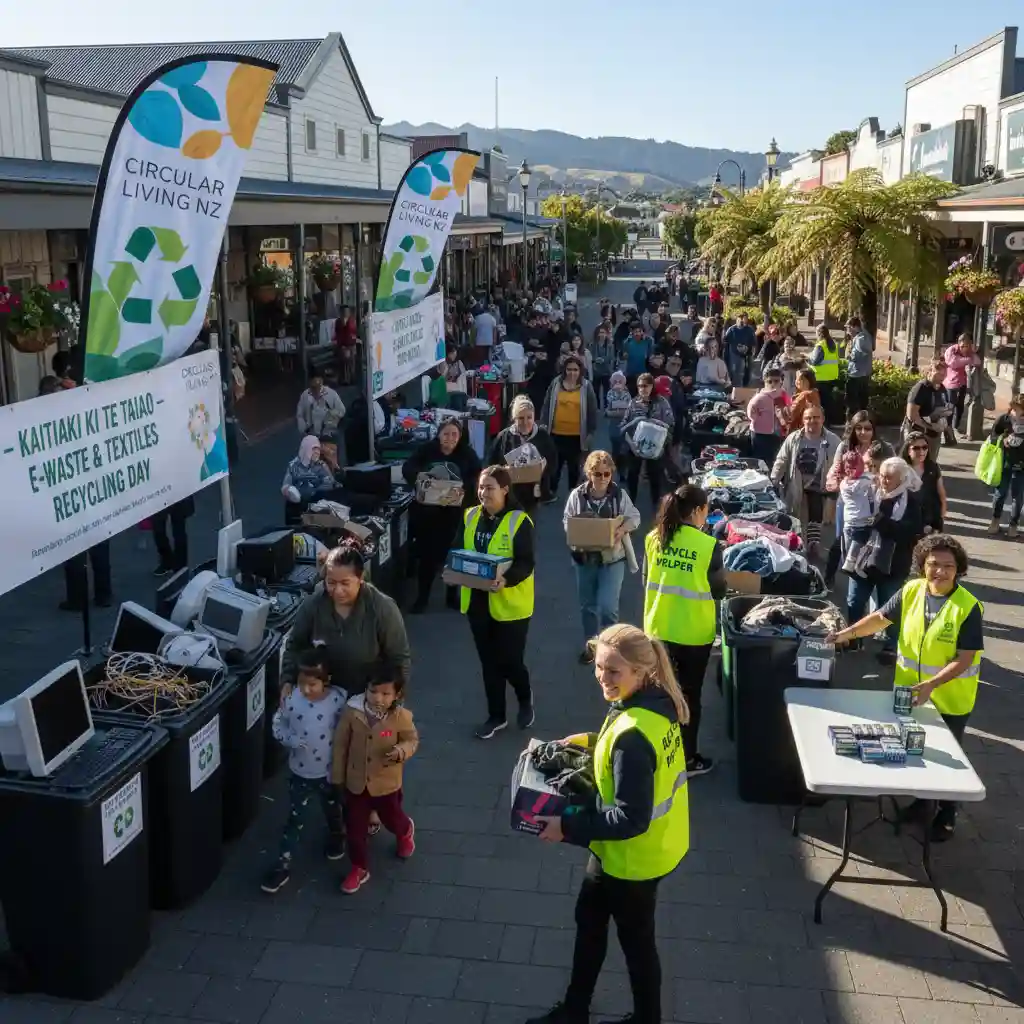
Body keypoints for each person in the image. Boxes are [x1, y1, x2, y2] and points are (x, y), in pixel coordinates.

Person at [528, 624, 690, 1024]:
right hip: (639, 850)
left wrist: (565, 826)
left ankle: (640, 1019)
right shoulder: (653, 705)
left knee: (635, 945)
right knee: (591, 923)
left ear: (640, 671)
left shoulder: (633, 736)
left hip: (631, 860)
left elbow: (629, 817)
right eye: (599, 666)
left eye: (613, 670)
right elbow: (626, 758)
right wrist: (587, 740)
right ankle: (576, 1009)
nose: (603, 677)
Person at [826, 534, 982, 840]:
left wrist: (932, 684)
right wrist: (846, 634)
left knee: (949, 759)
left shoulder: (968, 607)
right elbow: (880, 619)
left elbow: (964, 659)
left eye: (948, 566)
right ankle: (922, 803)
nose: (940, 571)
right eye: (933, 564)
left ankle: (947, 814)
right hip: (910, 694)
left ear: (958, 570)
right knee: (920, 750)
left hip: (950, 698)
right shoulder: (911, 590)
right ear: (923, 565)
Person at [643, 485, 726, 776]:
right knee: (689, 696)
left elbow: (647, 579)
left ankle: (655, 753)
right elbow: (719, 590)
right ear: (698, 511)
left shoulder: (654, 538)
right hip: (693, 634)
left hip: (657, 630)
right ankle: (687, 759)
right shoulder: (708, 546)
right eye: (706, 510)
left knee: (659, 694)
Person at [458, 466, 536, 739]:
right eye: (481, 487)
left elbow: (526, 562)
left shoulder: (519, 521)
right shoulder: (470, 515)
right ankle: (496, 716)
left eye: (489, 488)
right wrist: (453, 569)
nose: (483, 493)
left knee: (510, 661)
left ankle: (525, 697)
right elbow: (458, 548)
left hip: (511, 605)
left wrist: (507, 579)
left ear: (504, 490)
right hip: (477, 602)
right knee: (489, 663)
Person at [261, 649, 348, 894]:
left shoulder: (338, 701)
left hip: (329, 773)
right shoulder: (292, 700)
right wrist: (289, 739)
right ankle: (283, 864)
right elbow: (278, 723)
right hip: (300, 773)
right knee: (295, 819)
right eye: (302, 683)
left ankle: (337, 835)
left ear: (326, 681)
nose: (306, 690)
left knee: (333, 808)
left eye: (312, 684)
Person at [332, 666, 418, 893]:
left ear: (397, 695)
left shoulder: (401, 717)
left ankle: (405, 830)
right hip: (356, 783)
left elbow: (411, 740)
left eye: (385, 693)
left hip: (386, 784)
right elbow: (340, 745)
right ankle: (359, 867)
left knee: (392, 819)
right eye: (373, 691)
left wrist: (401, 751)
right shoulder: (352, 712)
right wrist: (338, 776)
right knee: (354, 829)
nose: (378, 698)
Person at [281, 547, 411, 698]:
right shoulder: (312, 605)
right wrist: (287, 680)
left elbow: (399, 659)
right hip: (322, 696)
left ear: (360, 577)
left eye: (345, 583)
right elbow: (295, 646)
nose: (338, 590)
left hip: (366, 698)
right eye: (331, 583)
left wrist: (394, 698)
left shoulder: (383, 608)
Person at [564, 451, 641, 662]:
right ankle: (591, 647)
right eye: (598, 474)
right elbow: (567, 521)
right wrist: (579, 533)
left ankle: (610, 649)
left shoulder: (619, 495)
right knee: (587, 606)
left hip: (612, 559)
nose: (603, 478)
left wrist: (622, 529)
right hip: (585, 559)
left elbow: (635, 517)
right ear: (589, 474)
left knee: (608, 607)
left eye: (607, 474)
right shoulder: (577, 496)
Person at [844, 457, 924, 655]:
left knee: (889, 606)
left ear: (901, 479)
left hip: (893, 564)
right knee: (855, 601)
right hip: (863, 559)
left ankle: (891, 645)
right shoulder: (869, 493)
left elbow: (909, 533)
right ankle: (854, 639)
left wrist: (880, 522)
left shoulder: (911, 502)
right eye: (881, 476)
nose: (883, 481)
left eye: (889, 477)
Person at [402, 418, 481, 612]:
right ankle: (422, 598)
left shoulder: (467, 454)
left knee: (453, 556)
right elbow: (408, 467)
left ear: (460, 436)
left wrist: (465, 488)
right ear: (439, 435)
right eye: (446, 434)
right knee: (427, 558)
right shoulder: (427, 450)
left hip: (455, 514)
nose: (450, 438)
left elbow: (478, 475)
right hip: (429, 513)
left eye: (454, 434)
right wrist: (420, 478)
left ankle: (451, 597)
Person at [771, 403, 840, 557]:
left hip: (820, 485)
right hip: (797, 484)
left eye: (816, 417)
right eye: (808, 418)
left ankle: (814, 546)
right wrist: (774, 480)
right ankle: (798, 547)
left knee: (816, 517)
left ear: (822, 419)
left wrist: (835, 489)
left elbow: (839, 465)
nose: (812, 421)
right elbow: (782, 460)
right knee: (797, 518)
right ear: (803, 420)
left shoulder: (834, 440)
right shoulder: (794, 438)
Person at [488, 395, 558, 513]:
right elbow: (491, 463)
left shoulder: (542, 436)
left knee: (528, 521)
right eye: (520, 418)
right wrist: (503, 471)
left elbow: (553, 463)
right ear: (514, 419)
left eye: (529, 417)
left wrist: (542, 468)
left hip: (533, 495)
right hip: (508, 493)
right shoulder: (504, 436)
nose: (525, 422)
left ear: (534, 417)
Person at [540, 355, 598, 495]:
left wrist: (590, 432)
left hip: (576, 436)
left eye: (575, 370)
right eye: (569, 369)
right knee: (554, 465)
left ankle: (574, 494)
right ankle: (551, 491)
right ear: (564, 370)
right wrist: (543, 425)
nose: (572, 373)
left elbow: (592, 410)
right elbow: (547, 405)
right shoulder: (555, 384)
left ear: (580, 371)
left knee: (574, 467)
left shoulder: (586, 386)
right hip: (556, 433)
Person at [621, 373, 675, 507]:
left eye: (645, 386)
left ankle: (656, 506)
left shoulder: (662, 403)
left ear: (652, 386)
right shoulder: (633, 403)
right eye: (640, 386)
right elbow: (624, 426)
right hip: (636, 446)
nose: (642, 389)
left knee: (655, 477)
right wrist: (631, 444)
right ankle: (630, 504)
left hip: (655, 446)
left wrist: (662, 445)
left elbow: (671, 424)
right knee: (632, 475)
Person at [986, 393, 1024, 537]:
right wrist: (1003, 440)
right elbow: (993, 436)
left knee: (1017, 496)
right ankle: (994, 522)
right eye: (1015, 409)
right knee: (1000, 493)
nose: (1017, 414)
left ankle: (1013, 526)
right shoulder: (1004, 419)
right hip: (1004, 462)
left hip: (1021, 466)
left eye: (1021, 411)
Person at [904, 359, 951, 461]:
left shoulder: (942, 388)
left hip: (934, 434)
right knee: (916, 462)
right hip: (918, 434)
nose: (942, 377)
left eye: (944, 375)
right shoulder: (921, 388)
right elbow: (911, 415)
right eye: (938, 374)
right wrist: (930, 426)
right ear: (929, 372)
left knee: (931, 462)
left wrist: (944, 418)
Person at [902, 431, 946, 535]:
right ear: (908, 450)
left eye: (924, 447)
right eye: (916, 448)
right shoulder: (900, 469)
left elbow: (941, 493)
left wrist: (941, 516)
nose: (921, 451)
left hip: (930, 519)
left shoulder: (933, 467)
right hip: (907, 520)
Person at [281, 435, 336, 519]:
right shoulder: (294, 466)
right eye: (313, 449)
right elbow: (286, 484)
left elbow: (329, 483)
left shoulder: (321, 466)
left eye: (318, 449)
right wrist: (290, 491)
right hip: (299, 501)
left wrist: (315, 491)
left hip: (317, 500)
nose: (317, 452)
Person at [746, 367, 789, 465]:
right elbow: (751, 412)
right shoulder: (760, 397)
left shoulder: (783, 394)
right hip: (760, 433)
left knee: (774, 459)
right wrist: (758, 419)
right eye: (769, 381)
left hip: (777, 432)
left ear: (781, 381)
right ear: (765, 382)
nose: (773, 384)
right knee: (760, 460)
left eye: (776, 381)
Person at [943, 334, 981, 439]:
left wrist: (971, 354)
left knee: (960, 406)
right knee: (950, 406)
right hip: (951, 383)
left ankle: (955, 427)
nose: (964, 348)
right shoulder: (951, 350)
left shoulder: (969, 352)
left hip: (962, 382)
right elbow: (953, 362)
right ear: (958, 344)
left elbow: (978, 362)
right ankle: (947, 429)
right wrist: (968, 359)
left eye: (967, 346)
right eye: (962, 346)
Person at [152, 497, 195, 575]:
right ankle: (167, 562)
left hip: (177, 495)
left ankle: (180, 566)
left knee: (179, 530)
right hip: (159, 496)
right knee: (158, 530)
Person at [844, 317, 875, 421]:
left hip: (856, 374)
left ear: (855, 327)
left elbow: (858, 356)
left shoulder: (860, 339)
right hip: (864, 374)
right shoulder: (865, 337)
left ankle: (851, 422)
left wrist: (848, 355)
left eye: (848, 327)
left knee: (852, 402)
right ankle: (862, 420)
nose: (847, 330)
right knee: (862, 401)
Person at [296, 375, 345, 439]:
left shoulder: (332, 394)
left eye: (318, 386)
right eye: (313, 387)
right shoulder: (305, 395)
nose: (316, 390)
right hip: (311, 435)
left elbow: (342, 410)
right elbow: (300, 414)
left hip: (329, 434)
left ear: (321, 384)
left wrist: (331, 419)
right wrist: (303, 429)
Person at [809, 325, 841, 422]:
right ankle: (830, 421)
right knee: (829, 402)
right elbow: (836, 360)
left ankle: (824, 423)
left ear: (819, 333)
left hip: (821, 377)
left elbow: (814, 361)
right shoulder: (833, 344)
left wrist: (807, 357)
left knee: (821, 402)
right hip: (832, 376)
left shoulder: (820, 345)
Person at [723, 311, 755, 387]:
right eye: (740, 319)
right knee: (736, 372)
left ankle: (744, 385)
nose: (742, 321)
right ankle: (735, 387)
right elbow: (725, 341)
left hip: (747, 354)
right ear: (737, 320)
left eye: (744, 319)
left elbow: (753, 342)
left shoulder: (749, 329)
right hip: (735, 354)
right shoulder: (732, 329)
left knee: (747, 372)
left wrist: (751, 352)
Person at [786, 369, 821, 434]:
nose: (797, 381)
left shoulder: (805, 395)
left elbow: (792, 413)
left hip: (799, 430)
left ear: (809, 381)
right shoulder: (814, 393)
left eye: (801, 379)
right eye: (796, 378)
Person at [622, 322, 653, 393]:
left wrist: (646, 336)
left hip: (643, 373)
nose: (638, 333)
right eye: (636, 331)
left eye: (640, 331)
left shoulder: (647, 341)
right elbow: (623, 356)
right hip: (630, 373)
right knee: (632, 393)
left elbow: (651, 347)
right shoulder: (627, 342)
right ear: (632, 332)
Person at [590, 321, 617, 403]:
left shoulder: (610, 345)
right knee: (596, 391)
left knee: (607, 392)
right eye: (600, 332)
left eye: (603, 332)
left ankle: (606, 407)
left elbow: (612, 357)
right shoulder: (592, 344)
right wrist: (595, 359)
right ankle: (596, 407)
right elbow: (590, 356)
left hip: (606, 371)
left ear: (606, 334)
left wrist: (603, 359)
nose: (602, 334)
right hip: (596, 371)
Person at [334, 307, 359, 385]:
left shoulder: (352, 321)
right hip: (343, 346)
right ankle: (345, 380)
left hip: (351, 345)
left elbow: (353, 333)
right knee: (344, 363)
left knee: (351, 363)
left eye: (347, 311)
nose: (346, 313)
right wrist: (342, 346)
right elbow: (339, 334)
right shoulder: (338, 322)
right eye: (344, 312)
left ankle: (351, 379)